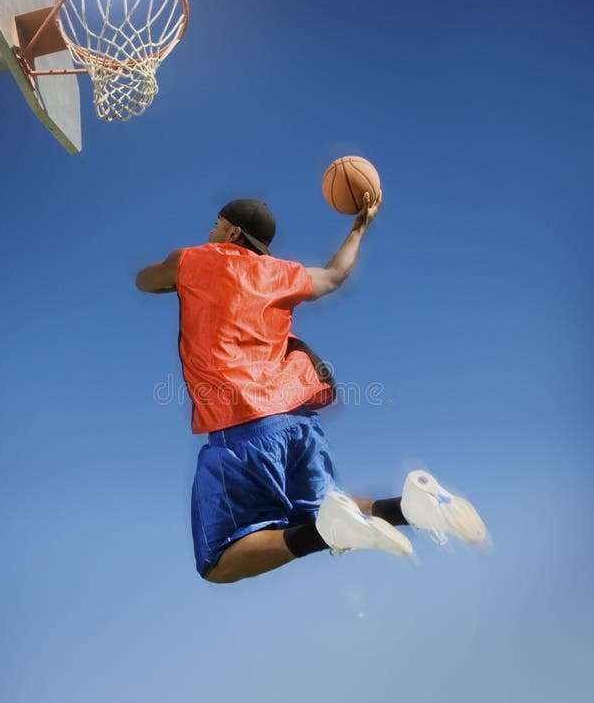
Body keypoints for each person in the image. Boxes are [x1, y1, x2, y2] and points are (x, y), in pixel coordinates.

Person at [136, 193, 486, 583]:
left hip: (241, 429)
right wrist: (359, 227)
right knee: (330, 510)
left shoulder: (191, 259)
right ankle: (411, 508)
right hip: (298, 423)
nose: (210, 230)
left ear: (233, 231)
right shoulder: (283, 273)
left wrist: (180, 278)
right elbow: (335, 275)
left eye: (216, 224)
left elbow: (145, 280)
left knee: (219, 562)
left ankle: (325, 534)